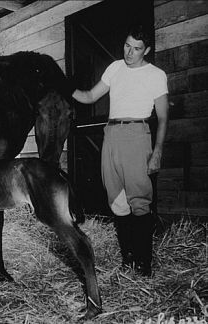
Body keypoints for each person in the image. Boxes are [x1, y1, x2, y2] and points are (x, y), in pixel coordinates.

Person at [72, 24, 169, 276]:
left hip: (137, 135)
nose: (129, 52)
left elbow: (163, 117)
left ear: (146, 50)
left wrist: (157, 151)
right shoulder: (115, 68)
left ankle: (144, 264)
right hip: (111, 134)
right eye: (127, 45)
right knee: (116, 200)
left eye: (136, 49)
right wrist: (64, 86)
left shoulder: (156, 75)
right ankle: (127, 260)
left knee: (139, 201)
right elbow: (89, 96)